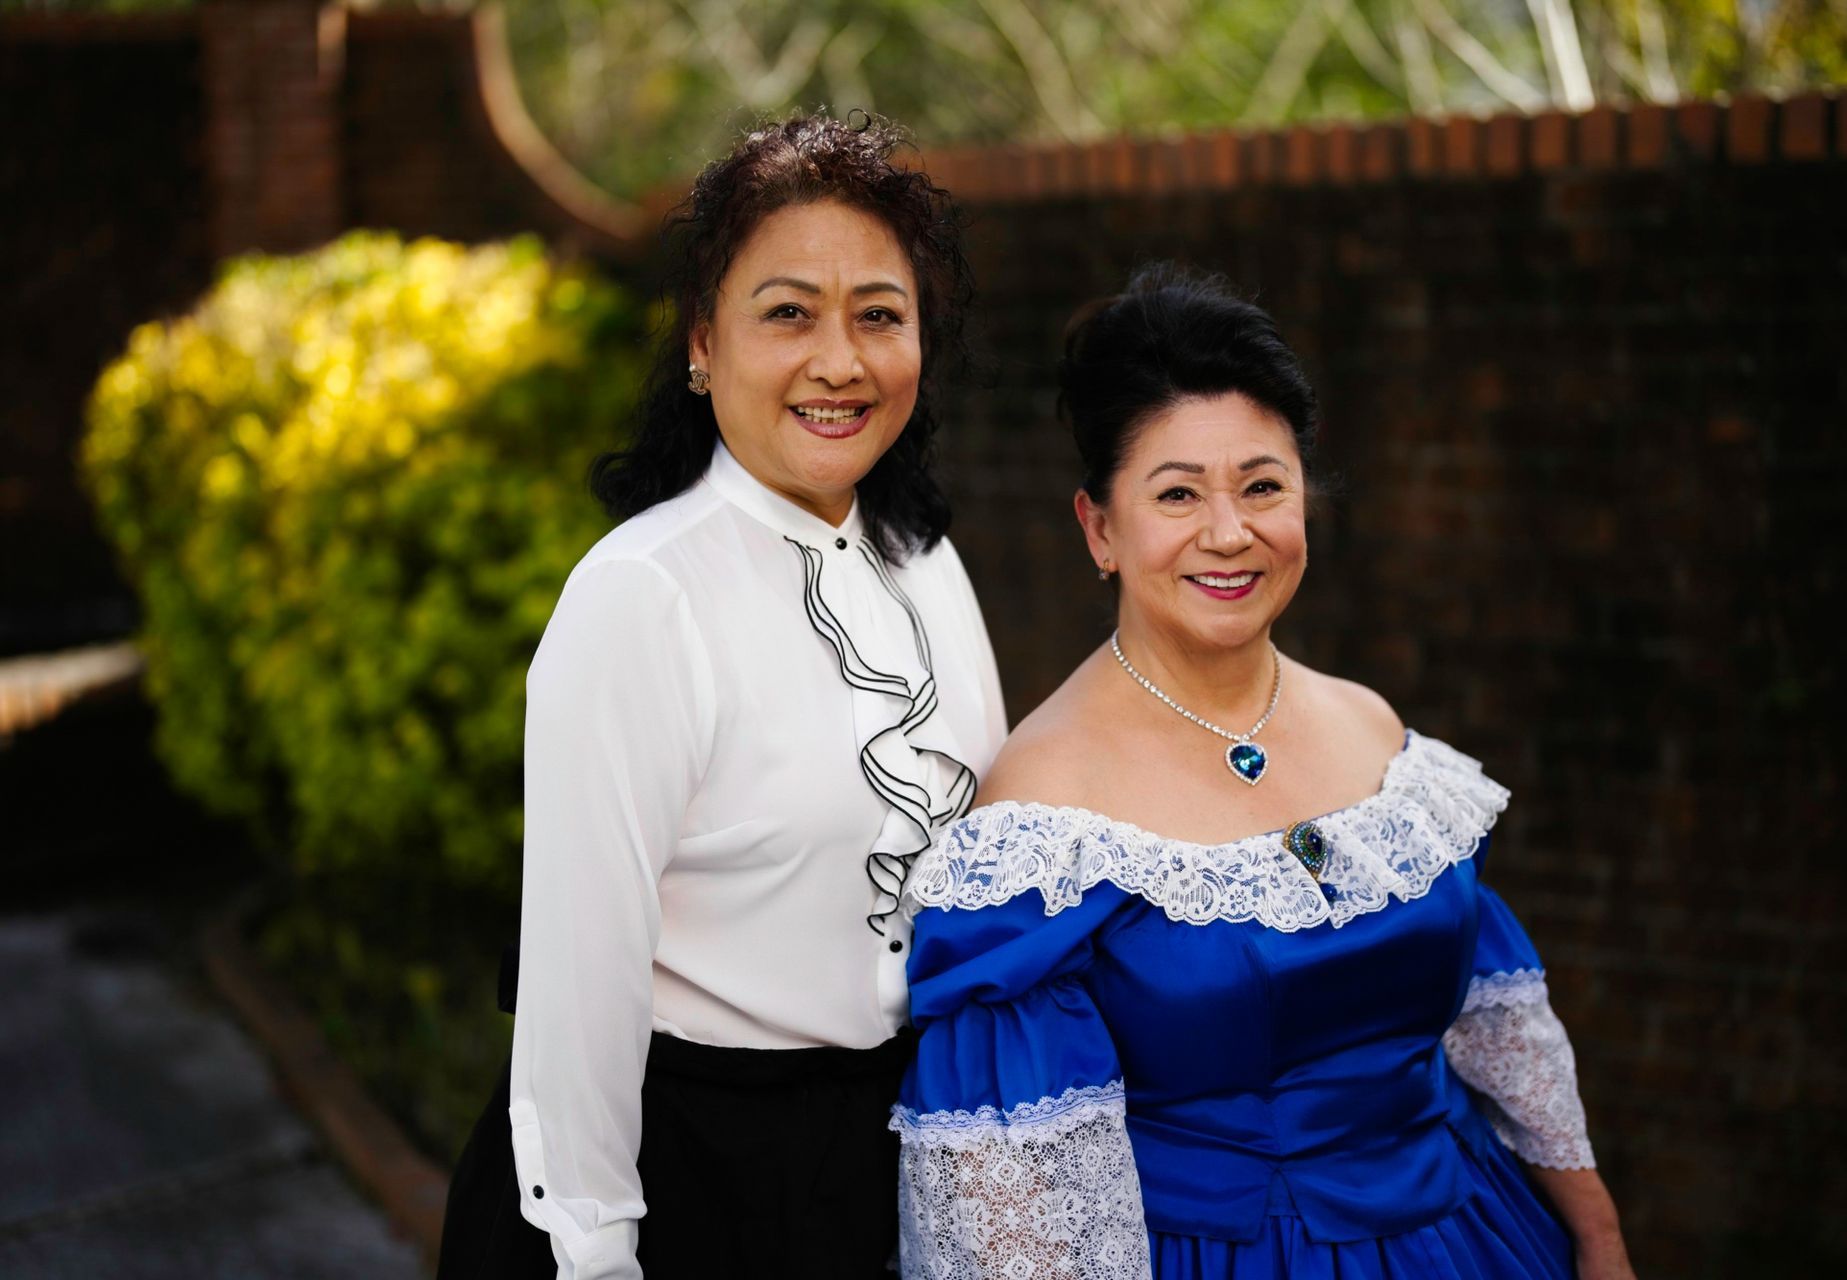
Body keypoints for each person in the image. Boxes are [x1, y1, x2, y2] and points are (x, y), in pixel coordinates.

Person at [890, 265, 1635, 1279]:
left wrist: (1595, 1232)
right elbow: (1013, 1195)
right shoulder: (1039, 815)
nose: (1229, 531)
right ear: (1099, 528)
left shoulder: (1375, 731)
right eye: (1178, 493)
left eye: (1263, 485)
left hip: (1472, 1234)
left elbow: (1493, 1014)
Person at [436, 113, 1007, 1280]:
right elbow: (577, 979)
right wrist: (594, 1246)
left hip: (889, 1156)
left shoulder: (929, 563)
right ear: (703, 343)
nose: (840, 360)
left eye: (880, 315)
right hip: (688, 1169)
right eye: (787, 312)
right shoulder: (640, 597)